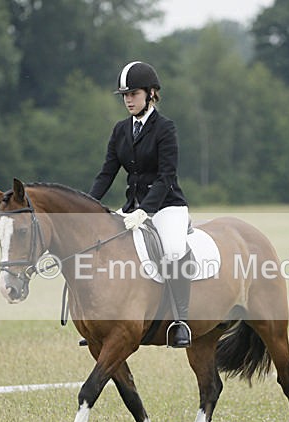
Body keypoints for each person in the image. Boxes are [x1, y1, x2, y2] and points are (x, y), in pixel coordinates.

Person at [88, 61, 192, 348]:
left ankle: (181, 320)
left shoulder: (165, 128)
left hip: (166, 205)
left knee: (172, 249)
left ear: (151, 94)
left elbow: (166, 175)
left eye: (133, 93)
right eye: (125, 95)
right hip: (132, 208)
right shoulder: (120, 130)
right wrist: (84, 206)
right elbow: (107, 173)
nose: (128, 100)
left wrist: (146, 210)